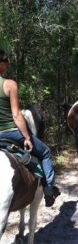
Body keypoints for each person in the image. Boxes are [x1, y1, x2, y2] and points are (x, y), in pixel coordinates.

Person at [0, 49, 60, 207]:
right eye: (6, 62)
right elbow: (16, 115)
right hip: (11, 133)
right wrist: (26, 137)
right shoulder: (9, 84)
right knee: (45, 152)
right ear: (1, 63)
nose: (7, 65)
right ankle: (49, 190)